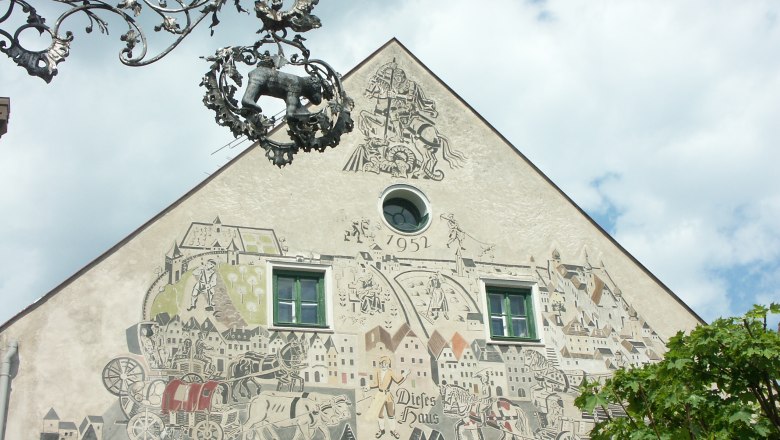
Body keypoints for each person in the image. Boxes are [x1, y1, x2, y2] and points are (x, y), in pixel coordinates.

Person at [364, 356, 409, 439]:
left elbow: (398, 380)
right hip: (379, 395)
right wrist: (369, 387)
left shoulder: (390, 372)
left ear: (388, 364)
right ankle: (381, 430)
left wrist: (404, 374)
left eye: (386, 364)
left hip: (388, 395)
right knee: (380, 414)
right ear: (380, 364)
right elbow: (376, 383)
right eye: (382, 363)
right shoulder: (377, 371)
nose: (384, 365)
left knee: (391, 414)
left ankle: (393, 430)